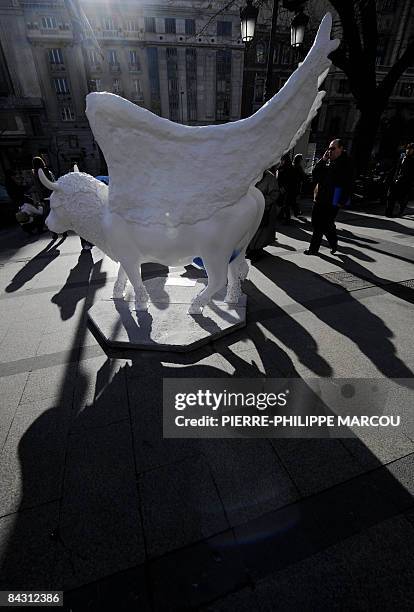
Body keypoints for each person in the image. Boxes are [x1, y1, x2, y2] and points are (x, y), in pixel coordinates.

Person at [305, 139, 353, 255]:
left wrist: (341, 201)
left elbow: (349, 184)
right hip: (320, 197)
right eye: (329, 148)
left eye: (333, 148)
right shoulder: (327, 161)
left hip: (333, 200)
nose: (330, 151)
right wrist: (323, 160)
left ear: (341, 148)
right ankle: (333, 242)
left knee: (323, 225)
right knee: (318, 223)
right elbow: (315, 175)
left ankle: (314, 249)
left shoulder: (346, 163)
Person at [246, 166, 280, 262]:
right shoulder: (251, 176)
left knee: (260, 233)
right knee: (251, 231)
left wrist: (262, 201)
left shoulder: (270, 178)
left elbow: (275, 194)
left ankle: (256, 251)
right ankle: (250, 250)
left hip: (264, 209)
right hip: (251, 209)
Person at [385, 143, 414, 217]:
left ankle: (400, 212)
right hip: (395, 180)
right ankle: (389, 213)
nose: (408, 150)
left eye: (410, 149)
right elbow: (396, 168)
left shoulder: (412, 160)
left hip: (405, 182)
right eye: (407, 149)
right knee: (391, 196)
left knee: (402, 199)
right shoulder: (401, 157)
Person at [277, 153, 296, 223]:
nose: (281, 161)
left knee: (285, 204)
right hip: (282, 188)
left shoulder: (289, 168)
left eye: (282, 160)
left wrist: (284, 188)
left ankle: (286, 219)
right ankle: (281, 216)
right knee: (282, 204)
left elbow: (290, 180)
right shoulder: (282, 168)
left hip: (286, 189)